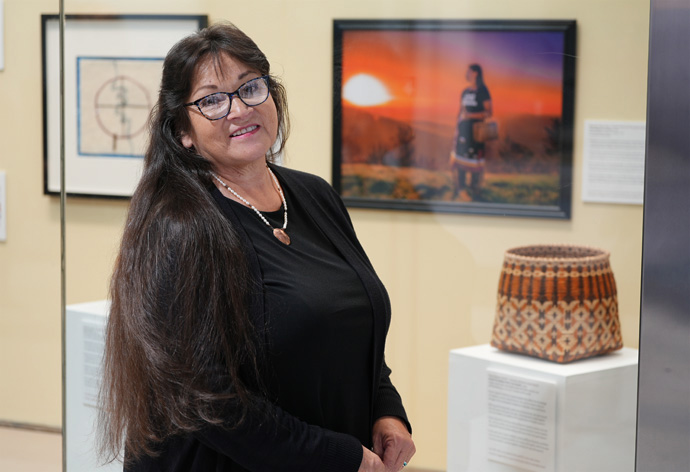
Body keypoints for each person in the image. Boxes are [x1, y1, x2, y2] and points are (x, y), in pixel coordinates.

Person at [99, 22, 415, 472]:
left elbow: (352, 332)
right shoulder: (179, 226)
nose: (238, 109)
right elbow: (208, 404)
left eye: (251, 88)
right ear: (183, 131)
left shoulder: (316, 196)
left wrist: (387, 410)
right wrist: (340, 457)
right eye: (211, 99)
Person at [451, 63, 493, 194]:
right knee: (462, 155)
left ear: (476, 73)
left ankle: (474, 187)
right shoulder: (465, 91)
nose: (467, 73)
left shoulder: (483, 91)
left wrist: (470, 115)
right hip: (463, 130)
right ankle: (461, 186)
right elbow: (460, 112)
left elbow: (489, 112)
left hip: (476, 131)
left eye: (469, 71)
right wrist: (457, 127)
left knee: (475, 157)